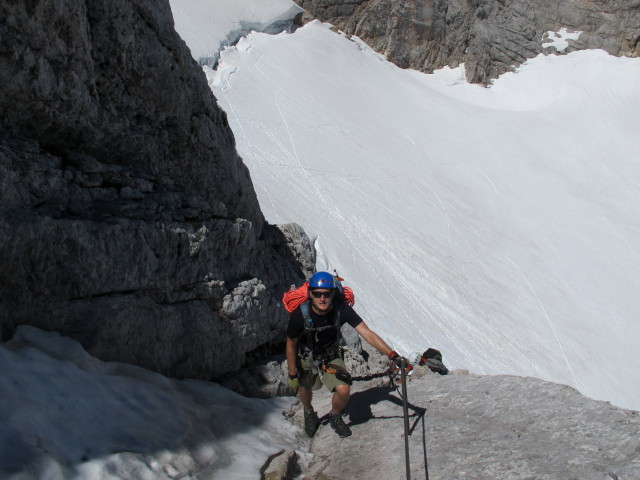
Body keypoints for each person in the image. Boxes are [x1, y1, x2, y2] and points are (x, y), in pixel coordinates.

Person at [285, 271, 410, 438]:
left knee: (343, 390)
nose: (322, 298)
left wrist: (392, 355)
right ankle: (309, 412)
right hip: (307, 355)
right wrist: (292, 373)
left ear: (333, 294)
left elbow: (367, 333)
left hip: (330, 354)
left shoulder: (341, 310)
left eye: (327, 294)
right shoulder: (299, 315)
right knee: (306, 386)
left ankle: (335, 415)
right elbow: (291, 344)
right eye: (317, 294)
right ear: (310, 294)